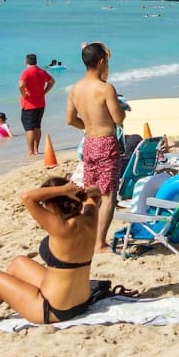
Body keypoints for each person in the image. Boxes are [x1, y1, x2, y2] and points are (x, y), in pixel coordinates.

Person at [0, 178, 101, 326]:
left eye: (45, 205)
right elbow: (97, 194)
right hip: (81, 302)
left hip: (52, 309)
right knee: (18, 263)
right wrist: (82, 192)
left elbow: (27, 197)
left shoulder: (60, 227)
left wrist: (64, 190)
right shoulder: (89, 218)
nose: (44, 208)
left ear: (52, 204)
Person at [66, 41, 126, 252]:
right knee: (108, 194)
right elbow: (118, 119)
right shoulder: (105, 88)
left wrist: (88, 125)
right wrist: (122, 112)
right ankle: (100, 242)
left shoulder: (75, 89)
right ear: (101, 62)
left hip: (89, 142)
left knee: (92, 193)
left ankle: (87, 237)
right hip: (106, 142)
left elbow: (70, 119)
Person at [19, 53, 55, 158]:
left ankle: (30, 152)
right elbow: (52, 81)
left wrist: (24, 94)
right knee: (37, 126)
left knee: (29, 128)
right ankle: (36, 149)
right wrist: (45, 91)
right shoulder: (42, 71)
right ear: (36, 61)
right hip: (40, 104)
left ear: (26, 62)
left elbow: (21, 85)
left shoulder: (26, 72)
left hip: (29, 104)